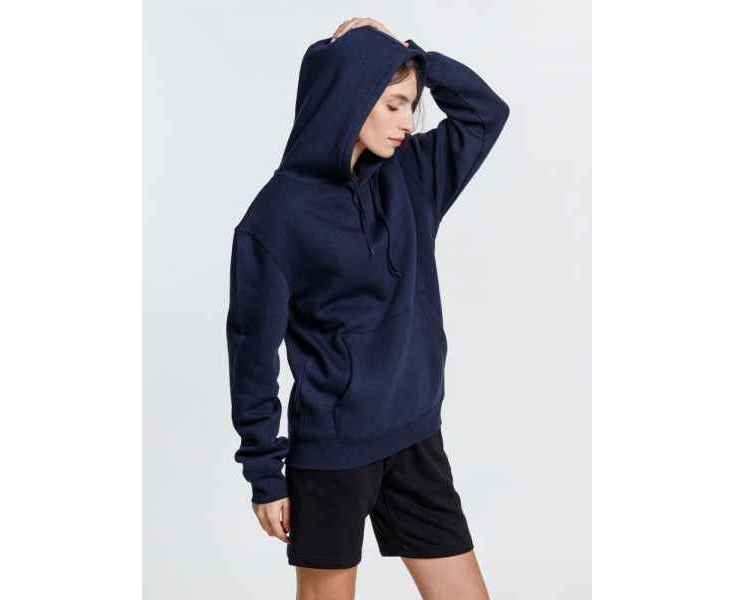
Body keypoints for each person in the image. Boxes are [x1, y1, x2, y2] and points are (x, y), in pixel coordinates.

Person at [226, 17, 510, 599]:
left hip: (414, 435)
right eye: (393, 105)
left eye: (412, 105)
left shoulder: (414, 175)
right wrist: (264, 473)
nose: (408, 122)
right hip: (332, 452)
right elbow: (251, 355)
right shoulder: (276, 218)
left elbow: (486, 113)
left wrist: (413, 55)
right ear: (349, 97)